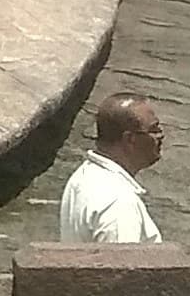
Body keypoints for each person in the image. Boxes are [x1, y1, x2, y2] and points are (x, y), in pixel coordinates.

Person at [59, 90, 164, 245]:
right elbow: (120, 266)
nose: (161, 135)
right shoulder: (119, 203)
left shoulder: (83, 176)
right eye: (154, 130)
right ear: (130, 139)